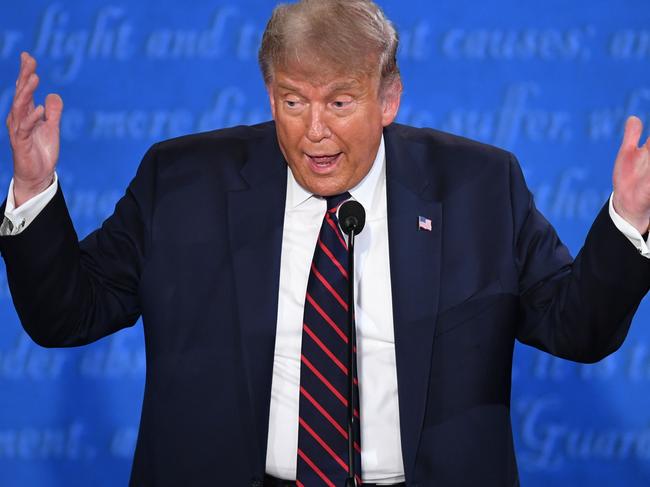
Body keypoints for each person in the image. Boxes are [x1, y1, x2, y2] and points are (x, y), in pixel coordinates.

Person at [3, 1, 650, 486]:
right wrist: (33, 188)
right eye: (293, 101)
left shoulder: (480, 187)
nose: (315, 132)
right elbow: (68, 313)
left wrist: (627, 219)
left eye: (340, 102)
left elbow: (578, 328)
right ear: (270, 93)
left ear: (388, 97)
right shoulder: (182, 183)